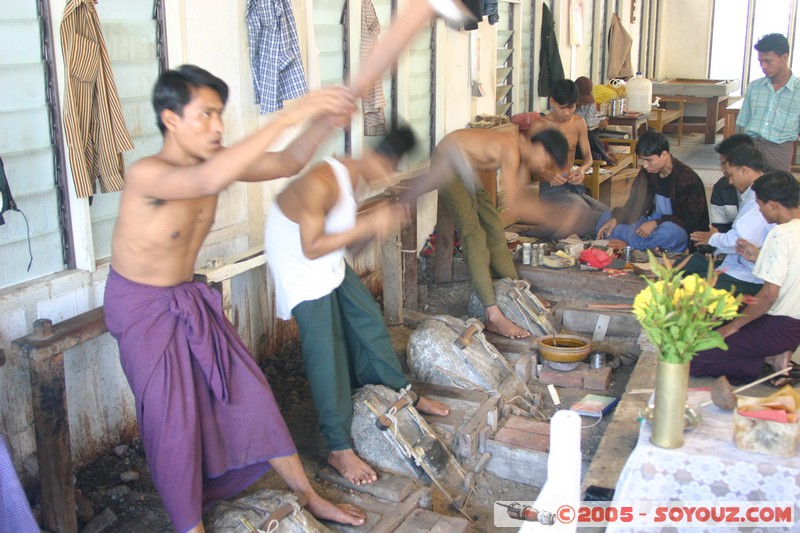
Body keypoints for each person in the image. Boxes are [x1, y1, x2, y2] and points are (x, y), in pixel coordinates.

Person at [103, 65, 366, 533]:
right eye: (205, 114)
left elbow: (287, 163)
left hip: (186, 296)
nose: (217, 125)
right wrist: (291, 114)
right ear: (170, 119)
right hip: (144, 308)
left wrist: (324, 120)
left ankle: (308, 495)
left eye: (220, 114)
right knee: (173, 426)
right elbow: (206, 181)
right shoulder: (148, 174)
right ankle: (191, 526)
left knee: (250, 393)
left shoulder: (216, 161)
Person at [265, 125, 450, 487]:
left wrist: (377, 225)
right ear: (379, 160)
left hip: (325, 257)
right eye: (390, 170)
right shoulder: (321, 182)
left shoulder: (355, 179)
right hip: (298, 261)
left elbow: (350, 245)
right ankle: (337, 446)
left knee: (366, 318)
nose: (388, 178)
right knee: (327, 349)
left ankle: (398, 391)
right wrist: (369, 222)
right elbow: (311, 247)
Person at [436, 127, 568, 338]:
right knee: (473, 234)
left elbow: (520, 197)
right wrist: (551, 216)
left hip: (465, 167)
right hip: (446, 161)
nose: (544, 167)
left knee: (494, 227)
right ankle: (493, 316)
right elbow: (514, 203)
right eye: (546, 161)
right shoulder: (511, 149)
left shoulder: (521, 154)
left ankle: (519, 292)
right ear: (539, 148)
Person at [690, 171, 800, 386]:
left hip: (779, 324)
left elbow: (769, 296)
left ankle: (766, 359)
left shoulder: (781, 234)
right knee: (712, 324)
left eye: (759, 206)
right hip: (791, 324)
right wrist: (759, 257)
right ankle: (774, 355)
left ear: (773, 205)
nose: (759, 211)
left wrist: (732, 327)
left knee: (693, 356)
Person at [595, 130, 708, 253]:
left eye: (649, 160)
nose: (645, 165)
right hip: (647, 221)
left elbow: (690, 219)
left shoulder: (687, 179)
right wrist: (617, 218)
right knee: (606, 218)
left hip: (672, 226)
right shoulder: (647, 172)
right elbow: (634, 203)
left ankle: (628, 243)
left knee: (668, 233)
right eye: (642, 160)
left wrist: (656, 223)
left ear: (664, 155)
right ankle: (648, 246)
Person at [685, 146, 774, 296]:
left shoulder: (760, 196)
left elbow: (740, 240)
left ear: (744, 170)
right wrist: (714, 245)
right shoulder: (751, 192)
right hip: (734, 261)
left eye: (731, 175)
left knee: (689, 286)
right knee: (685, 266)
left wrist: (713, 239)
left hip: (750, 275)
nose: (730, 182)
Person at [736, 33, 800, 172]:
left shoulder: (798, 91)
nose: (763, 66)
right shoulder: (754, 87)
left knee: (777, 185)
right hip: (750, 147)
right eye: (760, 61)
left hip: (780, 151)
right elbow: (742, 122)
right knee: (745, 185)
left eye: (768, 61)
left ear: (784, 57)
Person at [536, 79, 594, 198]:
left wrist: (582, 170)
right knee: (580, 208)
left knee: (600, 209)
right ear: (552, 101)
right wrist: (548, 175)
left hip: (573, 185)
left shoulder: (579, 123)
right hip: (550, 188)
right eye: (562, 108)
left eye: (571, 107)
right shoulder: (540, 126)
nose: (566, 113)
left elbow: (588, 157)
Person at [709, 133, 756, 234]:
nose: (722, 168)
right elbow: (718, 227)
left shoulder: (767, 189)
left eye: (724, 163)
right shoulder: (721, 187)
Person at [575, 76, 616, 165]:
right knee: (596, 156)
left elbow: (591, 121)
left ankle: (603, 154)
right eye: (581, 99)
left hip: (588, 138)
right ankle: (604, 155)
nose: (583, 102)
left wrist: (600, 124)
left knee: (591, 134)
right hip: (573, 141)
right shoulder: (566, 106)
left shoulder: (589, 103)